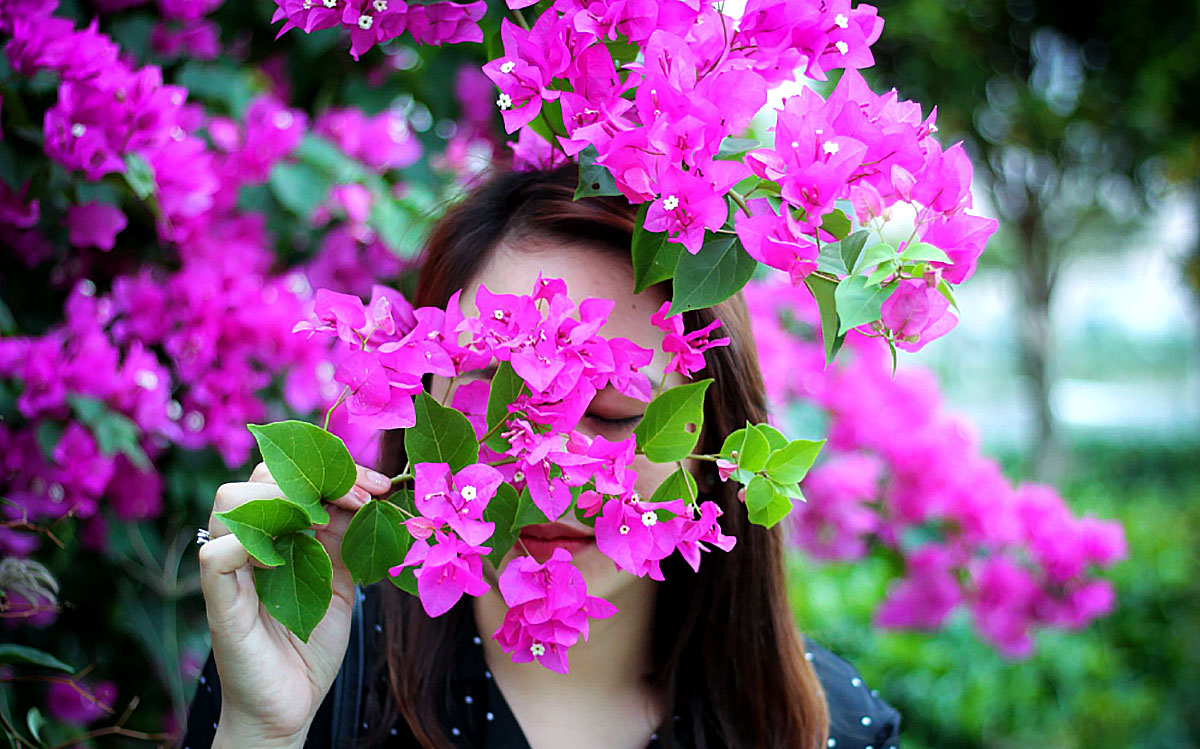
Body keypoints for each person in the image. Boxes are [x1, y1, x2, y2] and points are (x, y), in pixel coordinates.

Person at [184, 165, 901, 749]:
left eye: (615, 415)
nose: (551, 471)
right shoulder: (322, 675)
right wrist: (264, 732)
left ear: (714, 443)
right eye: (497, 402)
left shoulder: (836, 728)